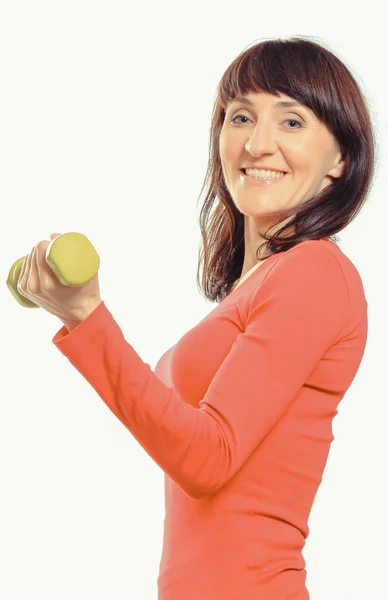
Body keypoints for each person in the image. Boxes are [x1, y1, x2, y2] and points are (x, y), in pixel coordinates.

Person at [49, 36, 374, 599]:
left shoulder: (315, 272)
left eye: (292, 122)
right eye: (240, 116)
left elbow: (207, 458)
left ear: (340, 159)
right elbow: (174, 431)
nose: (257, 143)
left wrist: (86, 317)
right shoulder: (254, 289)